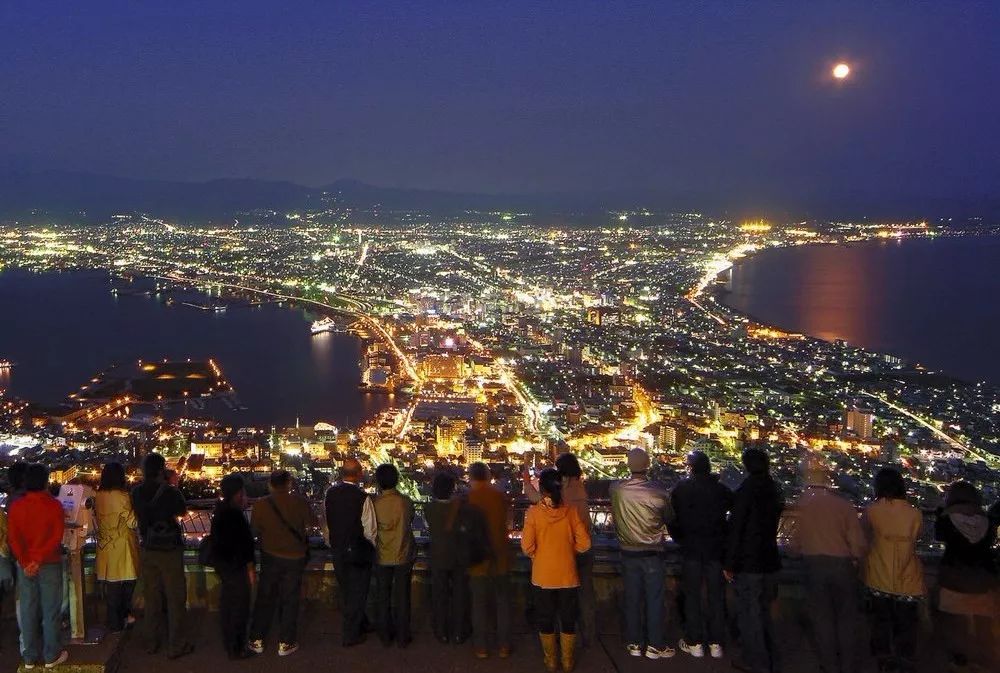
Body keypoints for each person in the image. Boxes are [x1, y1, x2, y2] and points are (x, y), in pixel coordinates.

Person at [789, 460, 866, 673]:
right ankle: (848, 665)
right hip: (842, 565)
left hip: (814, 565)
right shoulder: (845, 506)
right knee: (847, 618)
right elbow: (858, 543)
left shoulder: (804, 506)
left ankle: (830, 665)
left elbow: (796, 542)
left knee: (822, 618)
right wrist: (856, 560)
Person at [522, 468, 592, 673]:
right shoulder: (571, 512)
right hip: (567, 574)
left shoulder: (534, 513)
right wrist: (570, 551)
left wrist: (538, 556)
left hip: (542, 575)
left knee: (546, 617)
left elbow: (526, 546)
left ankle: (551, 661)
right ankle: (568, 661)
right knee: (568, 617)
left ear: (541, 489)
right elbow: (585, 543)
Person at [610, 448, 674, 659]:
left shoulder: (616, 489)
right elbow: (669, 518)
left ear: (628, 465)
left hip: (628, 552)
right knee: (655, 599)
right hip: (654, 552)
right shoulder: (659, 491)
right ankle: (655, 645)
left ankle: (634, 643)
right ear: (647, 465)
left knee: (632, 598)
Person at [724, 447, 784, 673]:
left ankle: (756, 662)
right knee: (764, 613)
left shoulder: (746, 491)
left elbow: (736, 529)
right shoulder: (774, 489)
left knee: (750, 615)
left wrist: (729, 564)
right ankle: (771, 659)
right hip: (769, 558)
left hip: (749, 562)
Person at [670, 450, 733, 660]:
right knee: (716, 597)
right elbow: (732, 511)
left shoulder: (681, 489)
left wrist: (680, 537)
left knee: (692, 596)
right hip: (715, 550)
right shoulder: (721, 490)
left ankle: (695, 641)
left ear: (691, 468)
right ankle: (716, 643)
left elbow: (673, 517)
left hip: (691, 549)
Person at [862, 467, 924, 673]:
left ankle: (884, 661)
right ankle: (904, 662)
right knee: (906, 625)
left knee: (881, 622)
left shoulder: (872, 510)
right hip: (909, 578)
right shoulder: (915, 514)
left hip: (879, 576)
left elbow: (865, 538)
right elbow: (915, 539)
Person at [131, 453, 192, 659]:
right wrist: (171, 484)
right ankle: (177, 644)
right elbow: (182, 511)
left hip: (148, 548)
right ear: (161, 470)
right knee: (175, 597)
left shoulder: (136, 492)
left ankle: (151, 642)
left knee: (152, 597)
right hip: (170, 549)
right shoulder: (170, 492)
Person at [8, 463, 68, 668]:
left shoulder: (17, 507)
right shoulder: (54, 506)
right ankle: (51, 655)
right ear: (45, 481)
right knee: (51, 610)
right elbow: (56, 537)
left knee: (27, 609)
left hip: (25, 566)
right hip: (48, 563)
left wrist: (26, 561)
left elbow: (13, 539)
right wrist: (39, 559)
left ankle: (29, 657)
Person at [248, 470, 312, 657]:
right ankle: (286, 642)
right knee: (291, 599)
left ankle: (257, 639)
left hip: (270, 556)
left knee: (265, 596)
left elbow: (254, 530)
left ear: (270, 484)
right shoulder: (299, 502)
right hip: (295, 557)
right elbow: (310, 524)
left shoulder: (260, 505)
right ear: (289, 484)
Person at [934, 481, 997, 671]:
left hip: (954, 579)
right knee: (984, 626)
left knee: (954, 625)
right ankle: (984, 660)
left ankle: (959, 661)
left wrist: (940, 514)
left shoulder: (946, 520)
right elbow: (990, 543)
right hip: (982, 580)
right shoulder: (987, 521)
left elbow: (938, 536)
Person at [325, 458, 377, 647]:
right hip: (357, 550)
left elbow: (326, 523)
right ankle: (351, 634)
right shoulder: (363, 498)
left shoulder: (330, 494)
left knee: (347, 589)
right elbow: (370, 530)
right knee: (358, 591)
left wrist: (331, 543)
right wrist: (370, 549)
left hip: (338, 550)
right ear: (359, 473)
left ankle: (362, 623)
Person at [467, 461, 513, 659]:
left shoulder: (467, 499)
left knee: (478, 604)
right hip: (500, 556)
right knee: (503, 602)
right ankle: (503, 645)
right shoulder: (500, 497)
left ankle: (481, 647)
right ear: (488, 477)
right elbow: (509, 523)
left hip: (477, 558)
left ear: (471, 478)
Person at [210, 474, 257, 660]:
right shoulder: (234, 515)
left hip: (223, 564)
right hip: (235, 566)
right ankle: (237, 648)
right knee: (240, 607)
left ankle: (231, 644)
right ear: (238, 493)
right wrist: (250, 568)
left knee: (229, 605)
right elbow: (244, 545)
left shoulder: (220, 511)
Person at [372, 464, 416, 647]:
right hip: (403, 553)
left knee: (383, 595)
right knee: (403, 596)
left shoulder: (374, 504)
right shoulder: (405, 502)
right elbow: (411, 520)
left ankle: (385, 635)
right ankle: (403, 636)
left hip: (382, 554)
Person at [425, 472, 470, 644]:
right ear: (452, 489)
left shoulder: (429, 509)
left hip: (438, 556)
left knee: (439, 595)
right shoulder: (460, 508)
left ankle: (441, 631)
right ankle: (459, 632)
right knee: (460, 595)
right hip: (458, 556)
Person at [94, 462, 140, 633]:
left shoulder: (98, 496)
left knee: (112, 585)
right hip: (123, 545)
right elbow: (132, 522)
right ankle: (123, 616)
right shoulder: (122, 496)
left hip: (105, 544)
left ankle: (114, 622)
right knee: (128, 581)